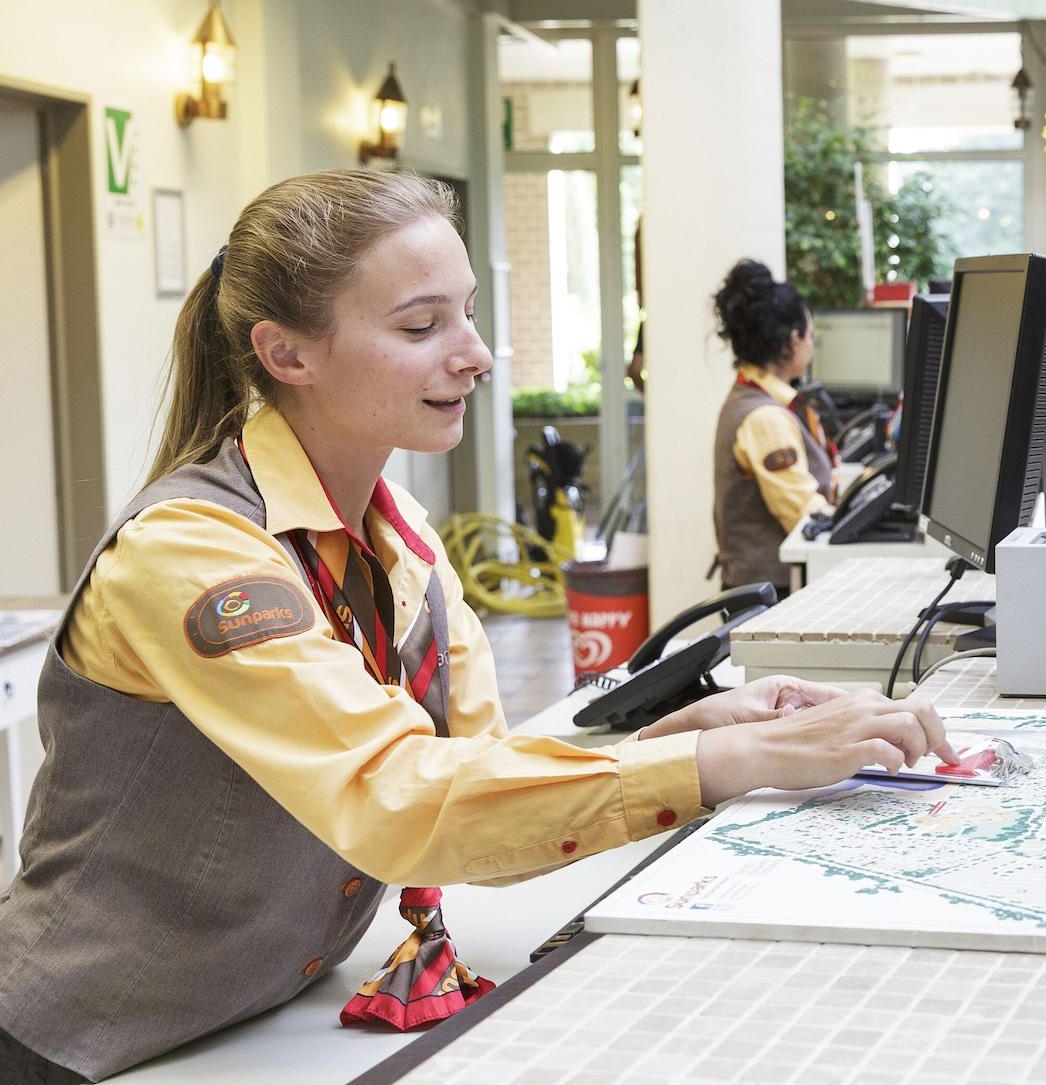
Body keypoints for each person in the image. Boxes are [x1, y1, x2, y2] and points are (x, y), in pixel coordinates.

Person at [0, 171, 955, 1083]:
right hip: (81, 1044)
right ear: (287, 353)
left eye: (467, 311)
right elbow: (402, 799)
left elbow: (475, 782)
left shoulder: (397, 526)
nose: (477, 353)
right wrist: (738, 766)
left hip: (251, 1029)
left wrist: (693, 734)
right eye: (423, 324)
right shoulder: (195, 550)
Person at [711, 258, 837, 593]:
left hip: (758, 589)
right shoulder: (765, 418)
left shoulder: (753, 396)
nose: (812, 344)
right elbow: (805, 515)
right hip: (768, 597)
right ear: (793, 340)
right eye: (811, 334)